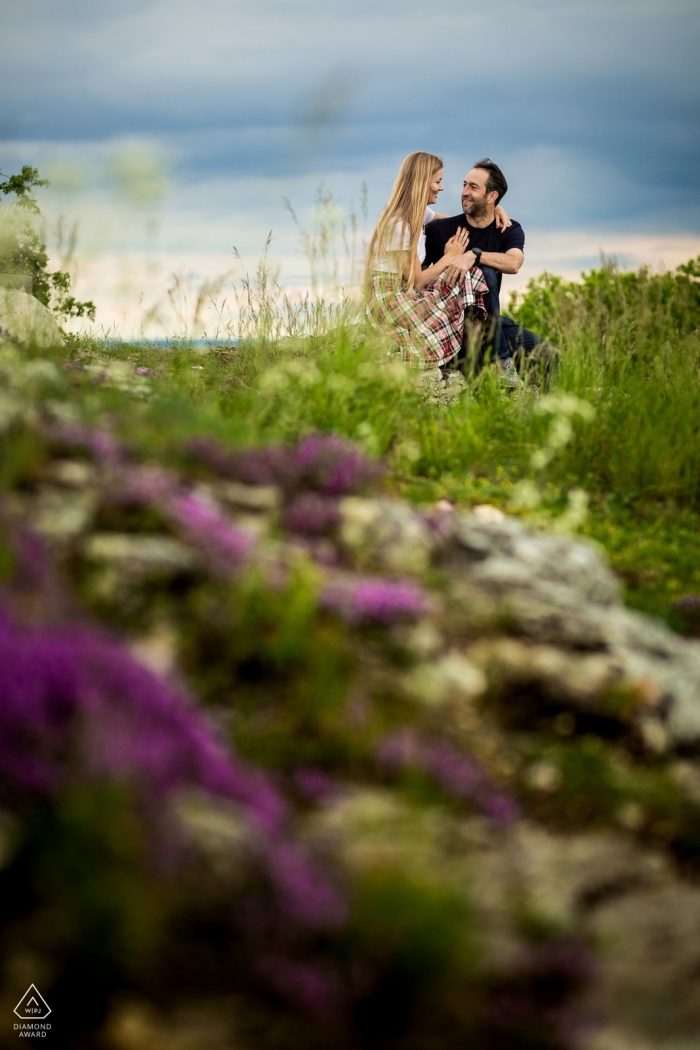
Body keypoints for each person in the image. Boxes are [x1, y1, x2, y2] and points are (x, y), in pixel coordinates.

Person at [365, 152, 511, 371]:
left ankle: (479, 358)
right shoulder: (401, 225)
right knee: (470, 278)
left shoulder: (418, 213)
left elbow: (458, 220)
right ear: (423, 183)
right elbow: (419, 282)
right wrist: (450, 257)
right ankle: (483, 362)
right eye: (438, 181)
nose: (441, 187)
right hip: (391, 301)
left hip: (405, 294)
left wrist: (494, 207)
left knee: (471, 278)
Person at [423, 158, 546, 382]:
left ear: (492, 197)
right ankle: (501, 364)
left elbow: (514, 263)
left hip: (489, 321)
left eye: (473, 187)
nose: (464, 192)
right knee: (486, 273)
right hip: (452, 324)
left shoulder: (508, 229)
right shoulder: (441, 230)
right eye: (464, 185)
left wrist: (476, 254)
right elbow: (419, 277)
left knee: (550, 355)